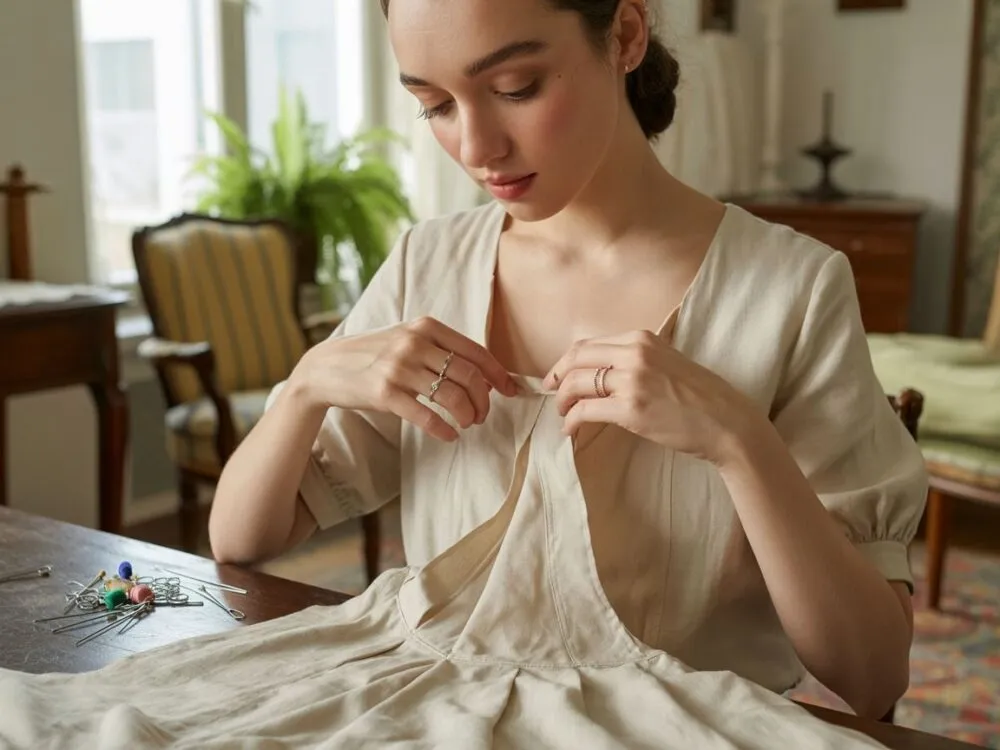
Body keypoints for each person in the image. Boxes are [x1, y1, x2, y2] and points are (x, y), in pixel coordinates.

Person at [208, 0, 927, 722]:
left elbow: (871, 674)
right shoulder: (424, 266)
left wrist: (740, 444)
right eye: (434, 105)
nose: (476, 147)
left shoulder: (790, 289)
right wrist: (306, 386)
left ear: (624, 35)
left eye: (515, 87)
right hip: (444, 718)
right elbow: (241, 539)